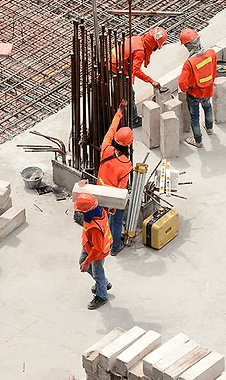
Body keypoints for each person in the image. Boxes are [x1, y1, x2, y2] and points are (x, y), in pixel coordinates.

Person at [110, 27, 168, 128]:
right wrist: (151, 81)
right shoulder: (140, 51)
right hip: (117, 67)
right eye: (156, 47)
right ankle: (133, 120)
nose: (155, 49)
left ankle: (121, 110)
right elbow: (136, 70)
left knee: (122, 91)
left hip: (114, 62)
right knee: (130, 94)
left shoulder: (138, 39)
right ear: (153, 43)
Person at [98, 100, 133, 256]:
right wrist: (114, 205)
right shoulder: (126, 164)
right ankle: (115, 246)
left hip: (99, 191)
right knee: (117, 220)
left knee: (104, 217)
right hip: (113, 196)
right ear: (129, 145)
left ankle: (104, 241)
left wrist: (119, 111)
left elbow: (112, 129)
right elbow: (121, 188)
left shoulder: (106, 147)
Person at [178, 28, 217, 148]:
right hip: (208, 90)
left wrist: (187, 90)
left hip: (194, 93)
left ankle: (198, 141)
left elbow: (182, 82)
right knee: (207, 107)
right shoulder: (211, 53)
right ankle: (209, 128)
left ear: (188, 46)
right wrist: (209, 82)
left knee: (194, 117)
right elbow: (214, 70)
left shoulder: (189, 63)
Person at [75, 192, 112, 310]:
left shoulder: (95, 227)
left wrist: (87, 262)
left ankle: (102, 296)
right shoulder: (99, 211)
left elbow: (97, 249)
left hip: (97, 252)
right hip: (89, 246)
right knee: (82, 261)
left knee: (97, 272)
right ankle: (104, 283)